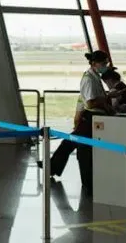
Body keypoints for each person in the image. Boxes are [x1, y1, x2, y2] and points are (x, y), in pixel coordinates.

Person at [46, 50, 112, 193]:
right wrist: (106, 98)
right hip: (90, 118)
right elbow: (90, 102)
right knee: (79, 147)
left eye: (106, 63)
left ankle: (52, 167)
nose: (105, 65)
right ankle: (54, 168)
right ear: (94, 63)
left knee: (71, 143)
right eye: (103, 63)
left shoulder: (94, 77)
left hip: (93, 118)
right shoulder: (89, 79)